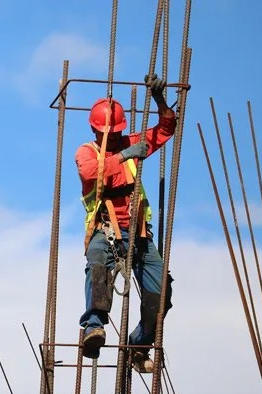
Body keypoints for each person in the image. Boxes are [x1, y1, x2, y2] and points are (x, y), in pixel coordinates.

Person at [74, 74, 176, 373]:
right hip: (105, 231)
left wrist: (159, 101)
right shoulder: (87, 152)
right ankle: (94, 326)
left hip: (139, 235)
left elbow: (165, 129)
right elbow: (91, 173)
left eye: (118, 132)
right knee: (97, 264)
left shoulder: (131, 143)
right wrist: (123, 154)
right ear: (96, 129)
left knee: (161, 299)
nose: (115, 137)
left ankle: (138, 345)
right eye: (110, 133)